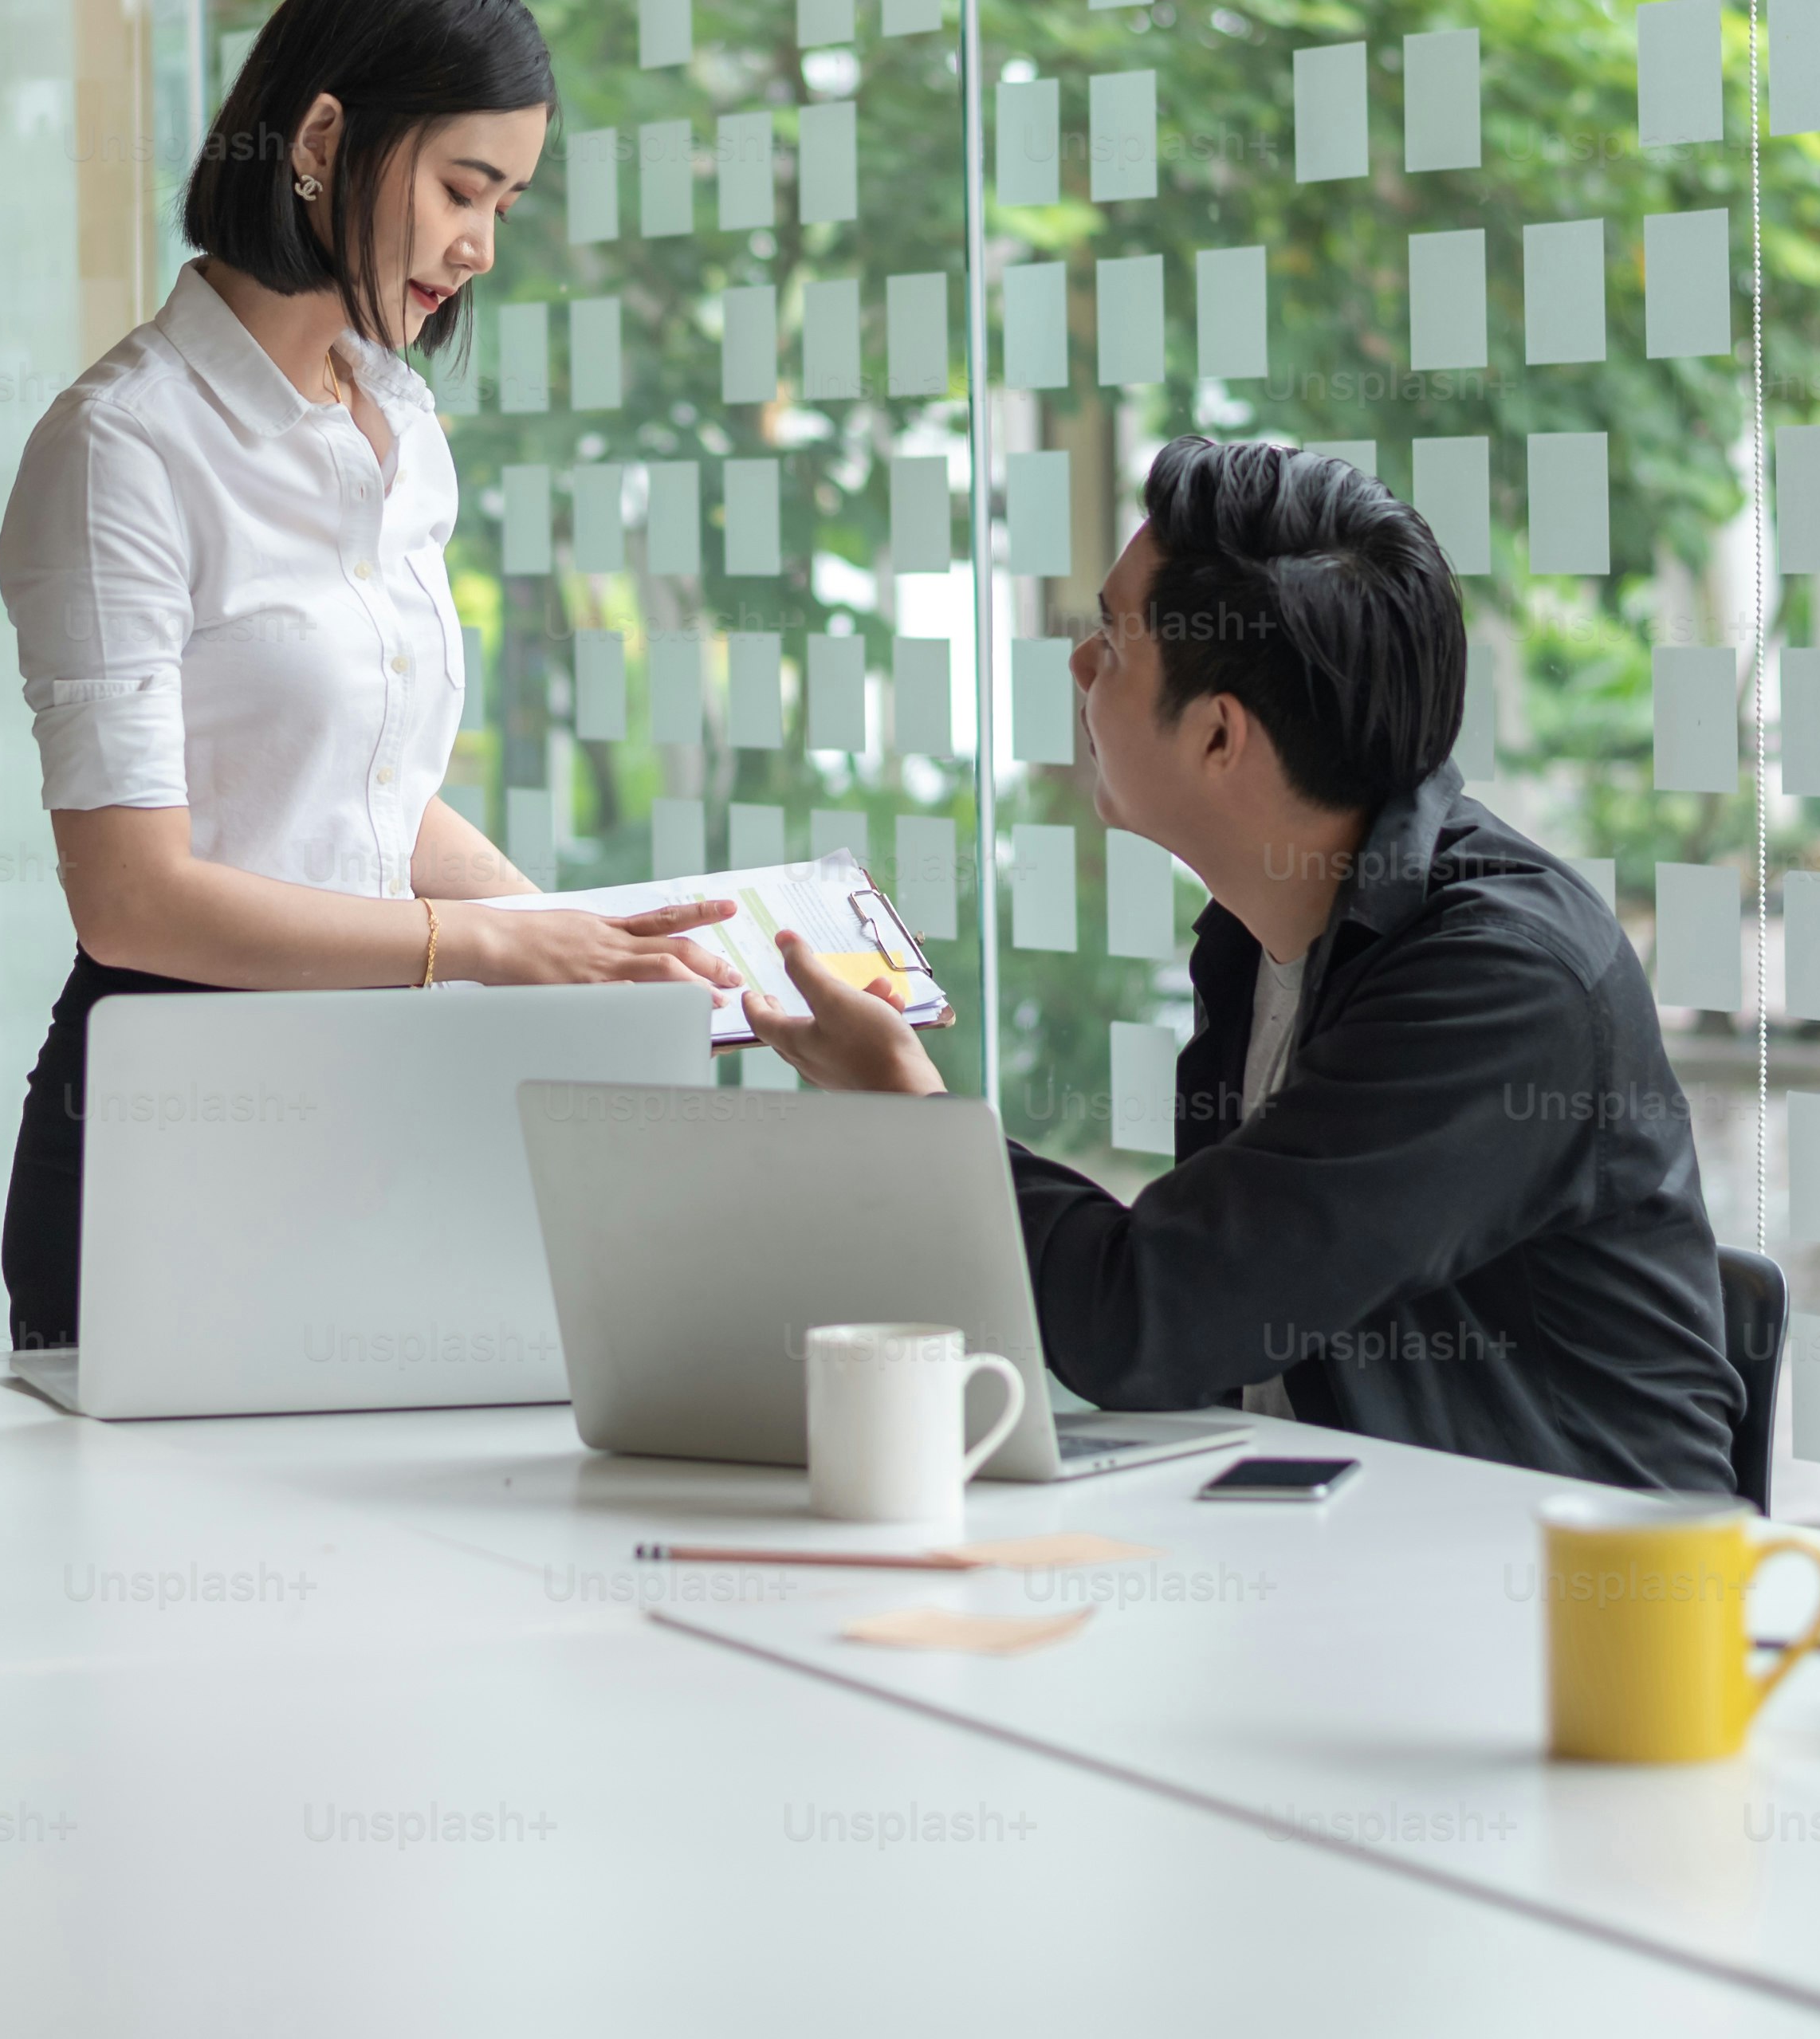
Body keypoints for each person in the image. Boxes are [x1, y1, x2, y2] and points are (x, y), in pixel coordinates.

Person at [741, 437, 1743, 1495]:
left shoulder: (1502, 983)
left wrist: (906, 1104)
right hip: (1323, 1544)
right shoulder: (1260, 931)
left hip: (1567, 1612)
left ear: (1222, 738)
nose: (1080, 665)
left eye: (1115, 643)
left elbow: (1153, 1320)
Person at [0, 0, 736, 1350]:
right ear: (324, 139)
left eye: (508, 203)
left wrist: (582, 946)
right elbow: (132, 899)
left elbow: (365, 799)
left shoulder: (396, 429)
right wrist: (498, 956)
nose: (481, 247)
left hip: (369, 1098)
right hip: (169, 1126)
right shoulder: (122, 450)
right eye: (465, 188)